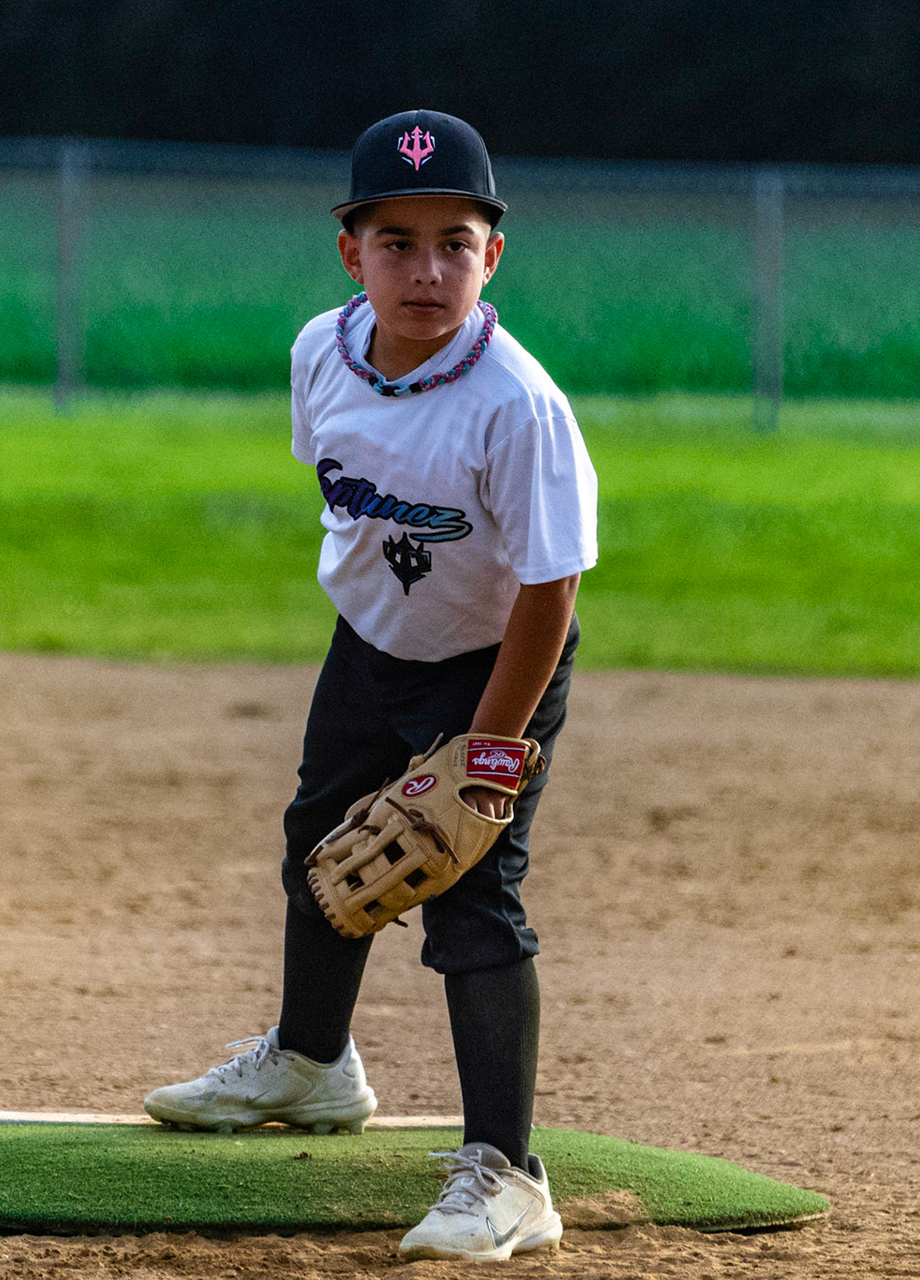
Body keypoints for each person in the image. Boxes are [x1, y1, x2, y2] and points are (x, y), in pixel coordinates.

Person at [143, 108, 598, 1263]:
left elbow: (551, 590)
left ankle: (508, 1173)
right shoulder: (320, 353)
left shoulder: (517, 404)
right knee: (322, 836)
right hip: (369, 642)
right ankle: (313, 1061)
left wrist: (486, 758)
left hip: (494, 666)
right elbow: (351, 499)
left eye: (456, 240)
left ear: (494, 255)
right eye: (396, 241)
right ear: (351, 254)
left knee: (469, 895)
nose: (427, 268)